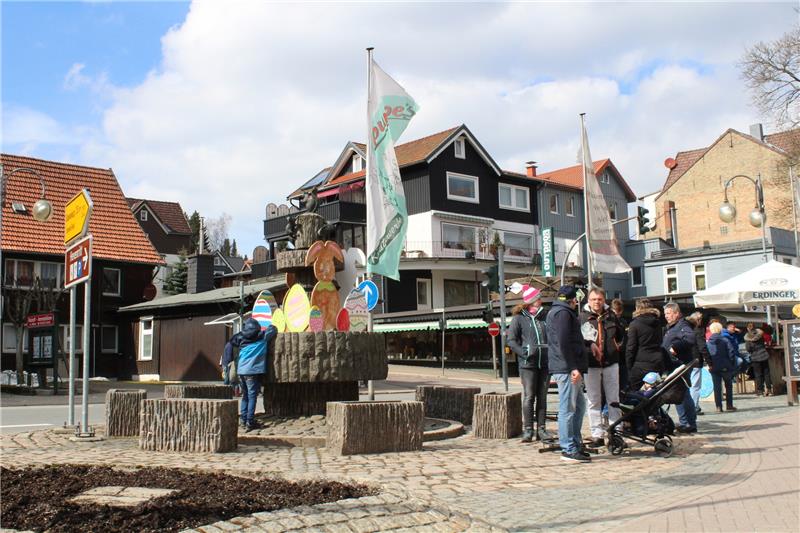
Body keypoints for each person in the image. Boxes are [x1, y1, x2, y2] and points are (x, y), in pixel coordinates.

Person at [546, 285, 589, 463]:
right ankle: (568, 448)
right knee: (568, 409)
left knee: (579, 406)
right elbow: (564, 342)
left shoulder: (557, 311)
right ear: (573, 300)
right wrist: (573, 367)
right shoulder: (563, 313)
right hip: (566, 368)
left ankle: (575, 444)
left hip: (567, 366)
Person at [580, 288, 624, 447]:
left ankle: (616, 434)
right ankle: (597, 434)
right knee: (593, 400)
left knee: (614, 399)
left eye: (599, 299)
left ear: (603, 300)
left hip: (611, 363)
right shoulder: (583, 317)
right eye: (593, 299)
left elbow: (620, 336)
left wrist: (615, 348)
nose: (596, 302)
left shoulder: (611, 316)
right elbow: (580, 341)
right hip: (591, 364)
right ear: (589, 301)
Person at [508, 286, 551, 443]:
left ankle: (541, 429)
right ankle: (528, 430)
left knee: (542, 397)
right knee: (529, 397)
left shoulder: (545, 316)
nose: (541, 300)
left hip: (545, 363)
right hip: (528, 364)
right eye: (538, 298)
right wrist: (523, 352)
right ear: (532, 301)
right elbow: (511, 340)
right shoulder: (519, 318)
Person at [227, 318, 277, 432]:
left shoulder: (241, 338)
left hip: (241, 371)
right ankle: (250, 421)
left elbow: (232, 340)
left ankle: (243, 420)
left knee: (245, 396)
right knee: (252, 396)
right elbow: (274, 329)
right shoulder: (262, 336)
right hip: (252, 371)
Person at [662, 302, 698, 434]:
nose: (666, 316)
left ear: (677, 313)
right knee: (681, 394)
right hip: (673, 365)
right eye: (665, 314)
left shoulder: (682, 325)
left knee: (681, 394)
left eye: (669, 313)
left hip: (679, 364)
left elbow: (690, 338)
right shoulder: (672, 326)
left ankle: (688, 423)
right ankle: (687, 422)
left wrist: (675, 347)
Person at [625, 298, 665, 390]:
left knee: (634, 391)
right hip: (657, 361)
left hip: (640, 364)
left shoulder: (634, 324)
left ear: (637, 308)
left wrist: (629, 366)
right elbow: (660, 341)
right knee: (654, 392)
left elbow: (631, 348)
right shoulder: (657, 322)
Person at [707, 322, 737, 412]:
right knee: (728, 385)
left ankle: (718, 407)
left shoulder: (708, 342)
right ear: (720, 330)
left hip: (714, 367)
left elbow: (706, 354)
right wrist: (731, 362)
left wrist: (710, 364)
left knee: (717, 387)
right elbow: (731, 352)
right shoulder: (725, 340)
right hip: (726, 366)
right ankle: (729, 405)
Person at [685, 312, 710, 415]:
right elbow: (702, 347)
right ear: (698, 320)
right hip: (695, 360)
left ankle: (691, 406)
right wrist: (709, 361)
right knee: (695, 385)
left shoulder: (686, 329)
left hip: (686, 361)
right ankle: (694, 406)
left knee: (688, 385)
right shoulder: (698, 330)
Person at [745, 327, 773, 396]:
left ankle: (760, 391)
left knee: (758, 374)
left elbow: (748, 349)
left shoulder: (749, 340)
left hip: (755, 358)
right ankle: (769, 390)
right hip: (764, 356)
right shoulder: (761, 338)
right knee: (766, 373)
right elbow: (764, 344)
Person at [611, 298, 629, 393]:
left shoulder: (622, 322)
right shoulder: (612, 321)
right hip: (617, 357)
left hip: (620, 358)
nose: (617, 315)